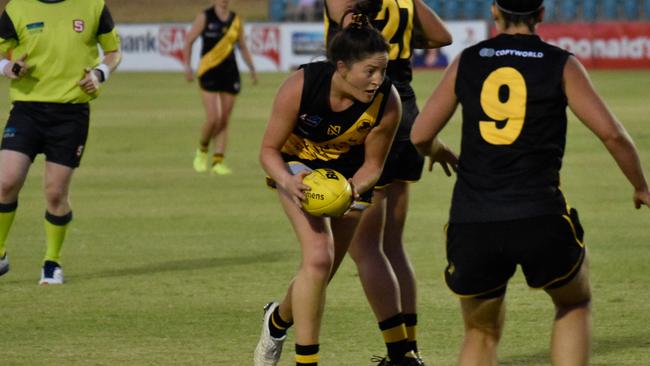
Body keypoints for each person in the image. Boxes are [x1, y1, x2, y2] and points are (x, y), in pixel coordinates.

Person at [410, 1, 650, 365]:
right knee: (574, 303)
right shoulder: (562, 63)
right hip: (539, 215)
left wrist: (437, 150)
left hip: (474, 220)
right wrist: (641, 186)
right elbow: (613, 135)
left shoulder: (467, 60)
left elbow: (420, 135)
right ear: (541, 13)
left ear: (494, 11)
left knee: (481, 333)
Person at [254, 14, 401, 366]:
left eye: (382, 70)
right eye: (370, 71)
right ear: (342, 68)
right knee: (319, 256)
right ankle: (307, 361)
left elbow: (373, 166)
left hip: (349, 179)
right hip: (297, 168)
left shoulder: (387, 102)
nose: (377, 80)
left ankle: (276, 321)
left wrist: (351, 190)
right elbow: (268, 151)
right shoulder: (301, 86)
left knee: (321, 273)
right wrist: (287, 182)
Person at [324, 1, 456, 364]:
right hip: (407, 108)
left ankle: (400, 355)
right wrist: (400, 41)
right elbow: (442, 36)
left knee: (365, 248)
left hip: (371, 108)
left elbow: (348, 24)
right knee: (393, 245)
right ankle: (410, 348)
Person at [0, 0, 121, 284]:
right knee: (5, 182)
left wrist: (99, 74)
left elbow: (114, 52)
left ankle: (52, 262)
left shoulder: (93, 6)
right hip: (27, 109)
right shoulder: (18, 7)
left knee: (55, 194)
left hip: (70, 113)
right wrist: (8, 66)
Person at [183, 0, 257, 176]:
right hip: (208, 72)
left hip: (230, 73)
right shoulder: (205, 17)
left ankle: (218, 161)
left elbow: (243, 47)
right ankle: (201, 151)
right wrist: (187, 66)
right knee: (213, 118)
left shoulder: (235, 20)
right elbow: (189, 41)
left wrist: (252, 68)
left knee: (224, 119)